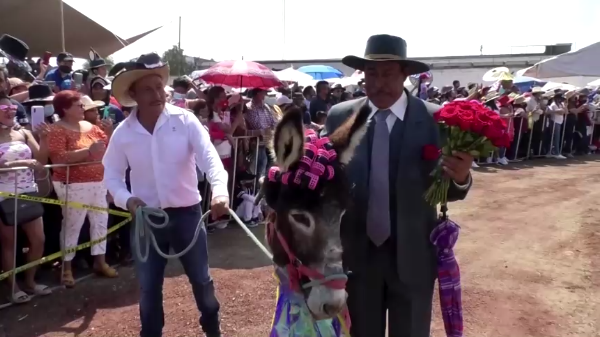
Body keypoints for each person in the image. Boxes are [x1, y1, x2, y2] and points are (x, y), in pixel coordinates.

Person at [324, 34, 473, 337]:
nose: (379, 82)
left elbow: (452, 188)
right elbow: (329, 181)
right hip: (357, 258)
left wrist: (460, 177)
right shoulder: (340, 116)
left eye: (388, 73)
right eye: (371, 74)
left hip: (414, 257)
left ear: (405, 74)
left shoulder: (436, 120)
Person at [102, 53, 229, 337]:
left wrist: (220, 191)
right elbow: (110, 175)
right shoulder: (123, 134)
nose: (158, 94)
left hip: (188, 216)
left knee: (202, 280)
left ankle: (213, 330)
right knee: (148, 288)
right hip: (147, 221)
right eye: (148, 89)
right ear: (133, 94)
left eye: (160, 87)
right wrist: (128, 199)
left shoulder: (186, 121)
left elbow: (210, 160)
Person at [47, 90, 116, 288]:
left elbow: (107, 147)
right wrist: (87, 152)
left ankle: (100, 262)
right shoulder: (57, 130)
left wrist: (109, 133)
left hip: (98, 182)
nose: (83, 108)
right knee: (72, 225)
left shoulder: (91, 127)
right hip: (72, 184)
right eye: (78, 105)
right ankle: (66, 268)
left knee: (100, 222)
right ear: (65, 109)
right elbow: (58, 158)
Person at [0, 96, 51, 303]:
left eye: (12, 106)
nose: (11, 110)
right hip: (3, 195)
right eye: (5, 107)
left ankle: (30, 282)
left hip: (29, 191)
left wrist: (44, 138)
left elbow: (40, 160)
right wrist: (19, 164)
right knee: (9, 244)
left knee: (39, 240)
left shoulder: (23, 131)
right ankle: (13, 288)